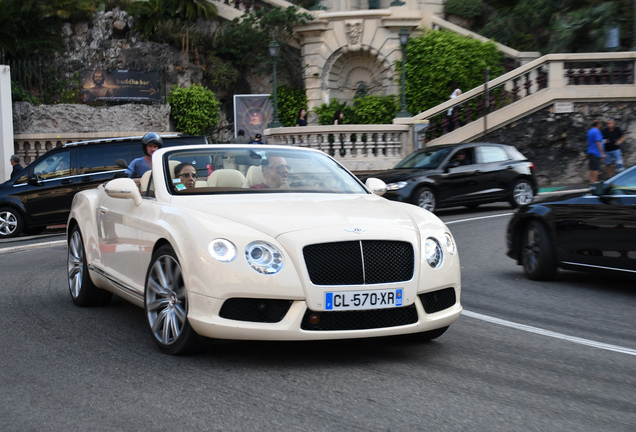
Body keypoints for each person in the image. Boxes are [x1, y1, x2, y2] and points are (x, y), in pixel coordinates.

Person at [586, 119, 606, 184]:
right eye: (600, 123)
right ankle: (595, 182)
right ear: (598, 124)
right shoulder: (597, 131)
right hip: (596, 152)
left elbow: (588, 142)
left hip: (590, 151)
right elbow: (598, 142)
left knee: (591, 168)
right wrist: (602, 153)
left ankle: (591, 181)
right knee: (595, 168)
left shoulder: (590, 131)